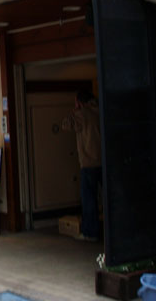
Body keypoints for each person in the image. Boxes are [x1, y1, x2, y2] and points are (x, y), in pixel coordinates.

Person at [62, 90, 102, 242]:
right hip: (104, 162)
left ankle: (90, 232)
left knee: (89, 199)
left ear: (79, 102)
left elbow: (66, 124)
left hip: (89, 163)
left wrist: (75, 111)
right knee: (109, 197)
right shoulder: (100, 110)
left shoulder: (82, 114)